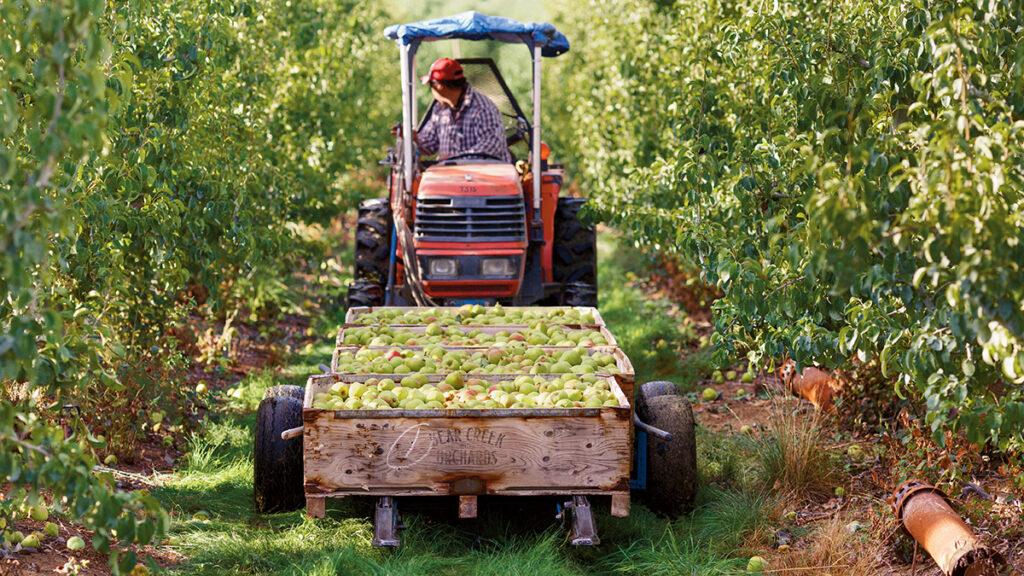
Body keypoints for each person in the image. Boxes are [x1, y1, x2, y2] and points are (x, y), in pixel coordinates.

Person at [415, 58, 512, 163]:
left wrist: (455, 161)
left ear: (439, 86)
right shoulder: (439, 109)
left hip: (486, 176)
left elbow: (491, 147)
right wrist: (413, 138)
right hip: (452, 175)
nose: (432, 90)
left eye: (431, 86)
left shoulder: (482, 109)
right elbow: (429, 145)